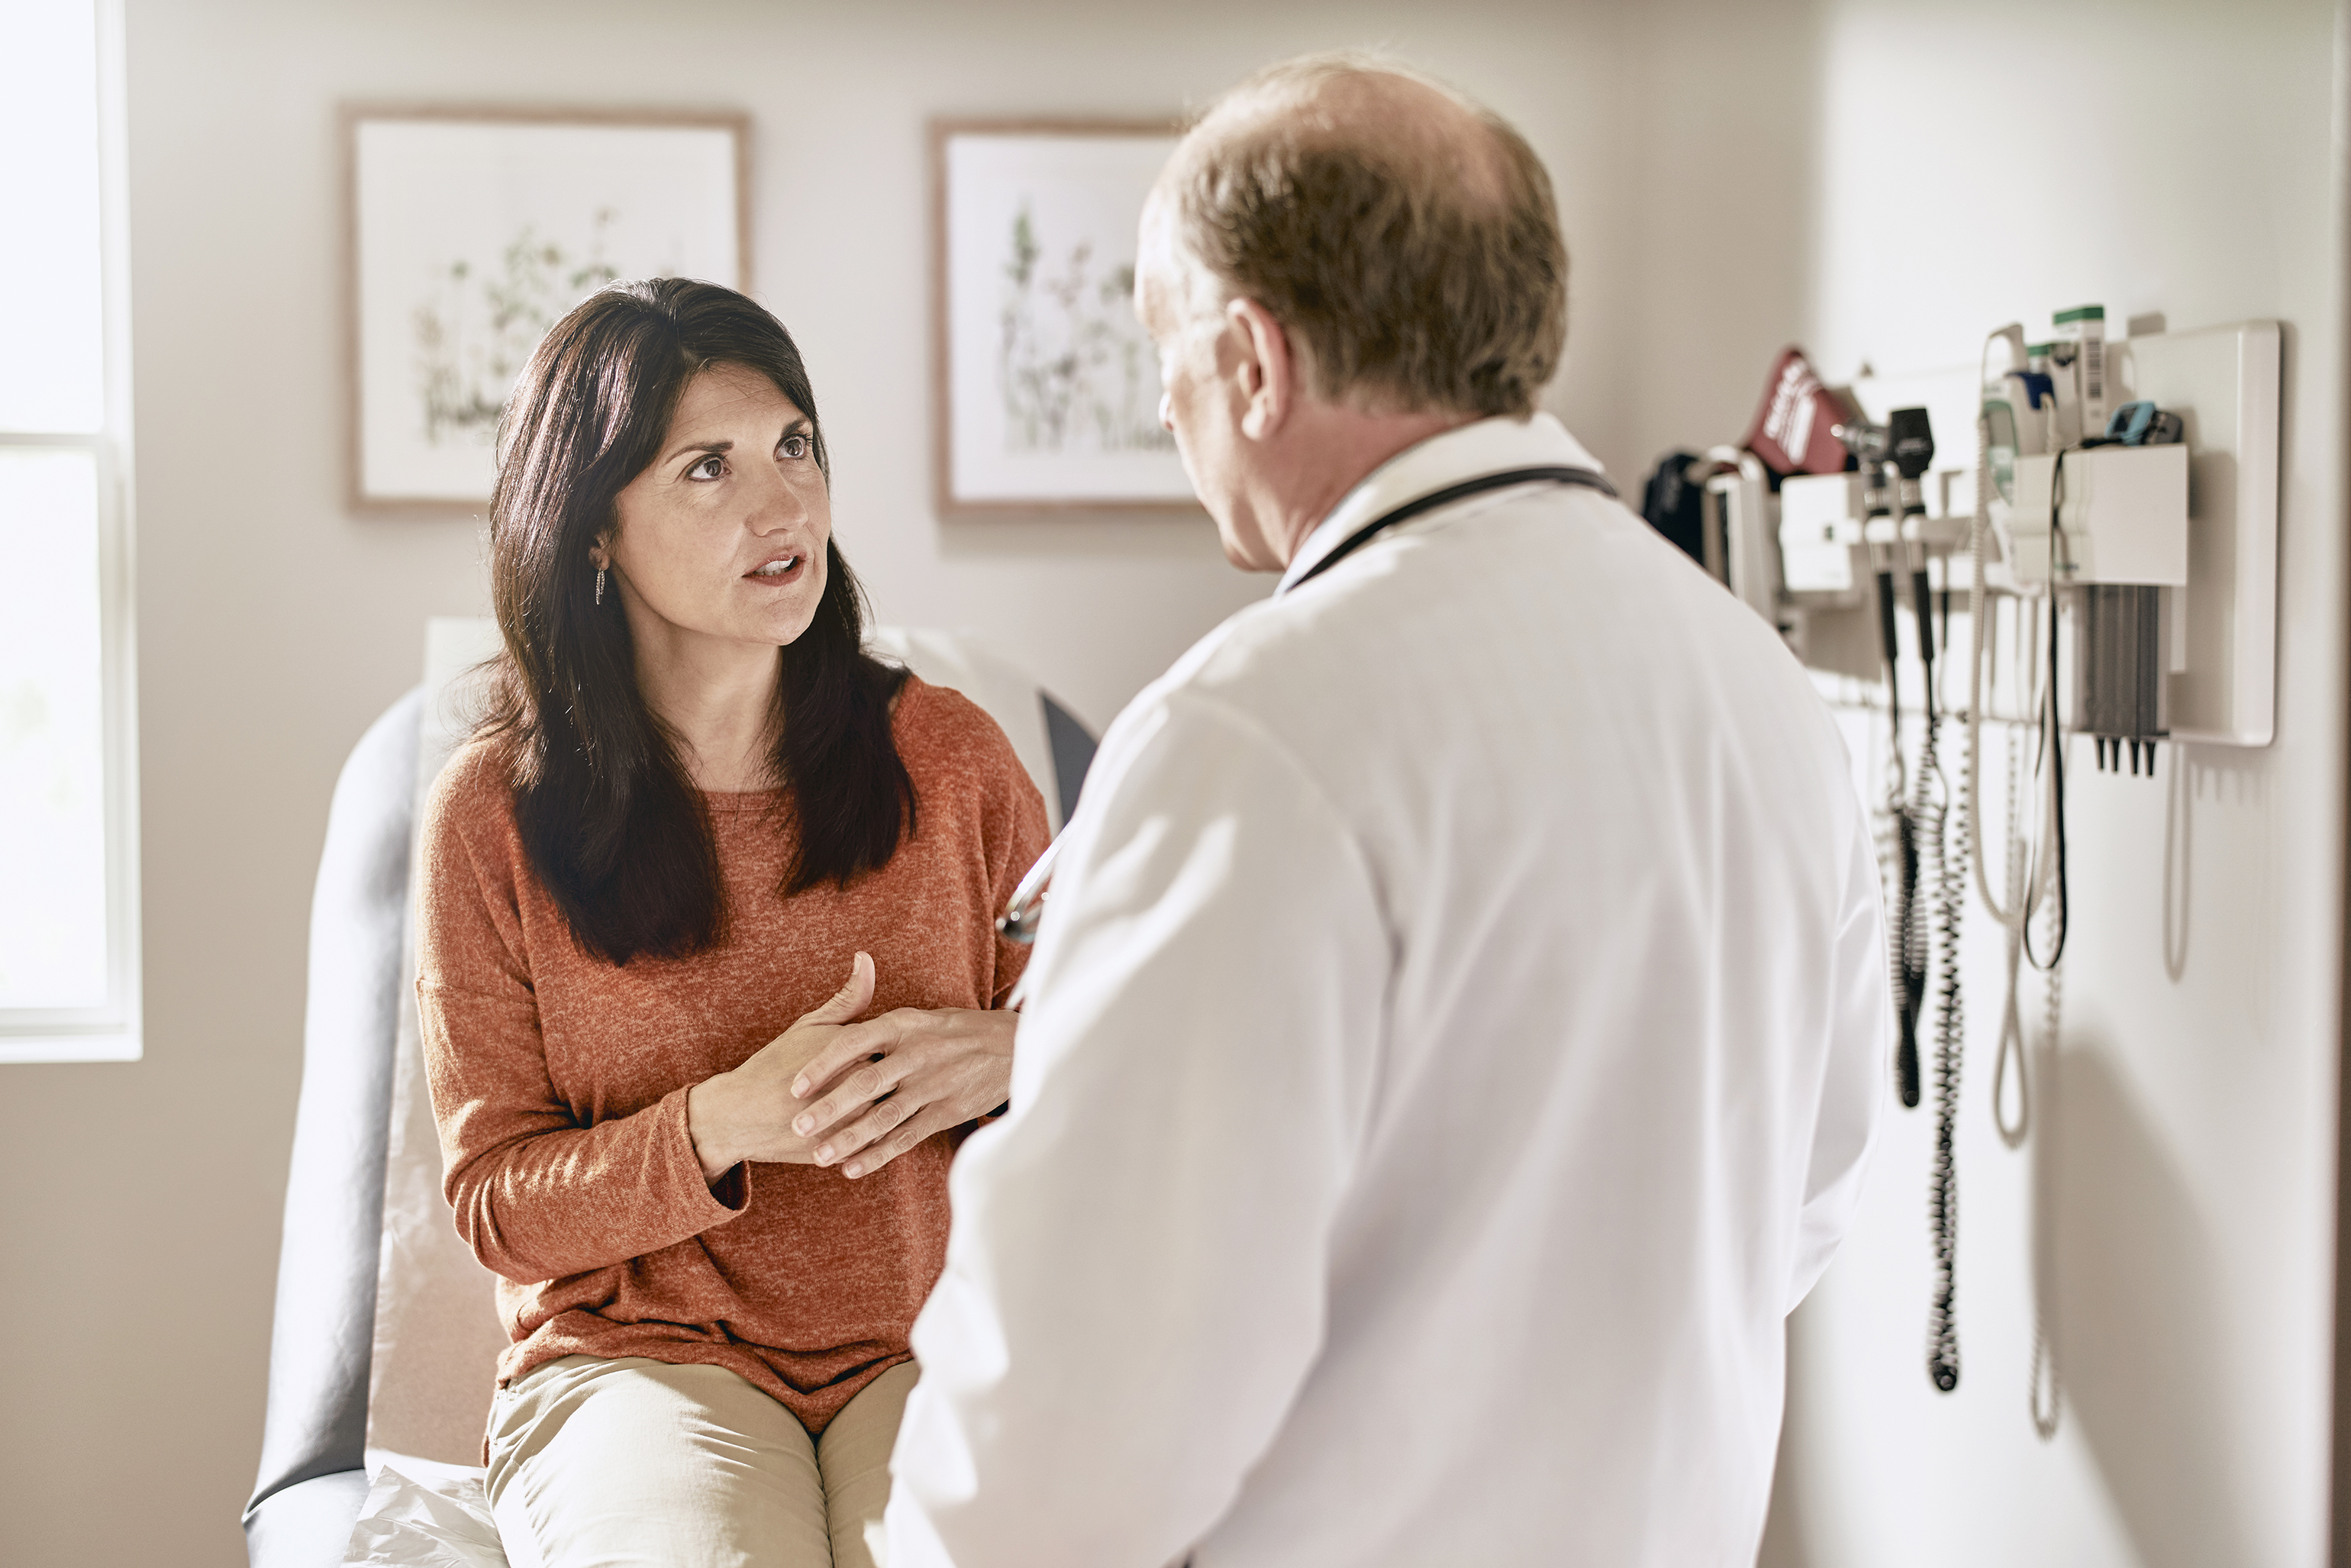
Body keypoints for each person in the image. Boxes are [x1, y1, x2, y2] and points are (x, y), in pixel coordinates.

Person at [882, 55, 1888, 1568]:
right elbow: (1806, 1192)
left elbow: (1053, 1464)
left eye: (1167, 365)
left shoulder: (1251, 737)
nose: (1169, 414)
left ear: (1254, 363)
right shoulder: (1760, 692)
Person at [414, 278, 1049, 1568]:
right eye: (710, 467)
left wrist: (1008, 1054)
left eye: (795, 448)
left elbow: (1124, 1054)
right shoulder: (491, 814)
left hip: (931, 1344)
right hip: (638, 1366)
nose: (785, 507)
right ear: (594, 530)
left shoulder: (953, 757)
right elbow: (497, 1202)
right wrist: (719, 1126)